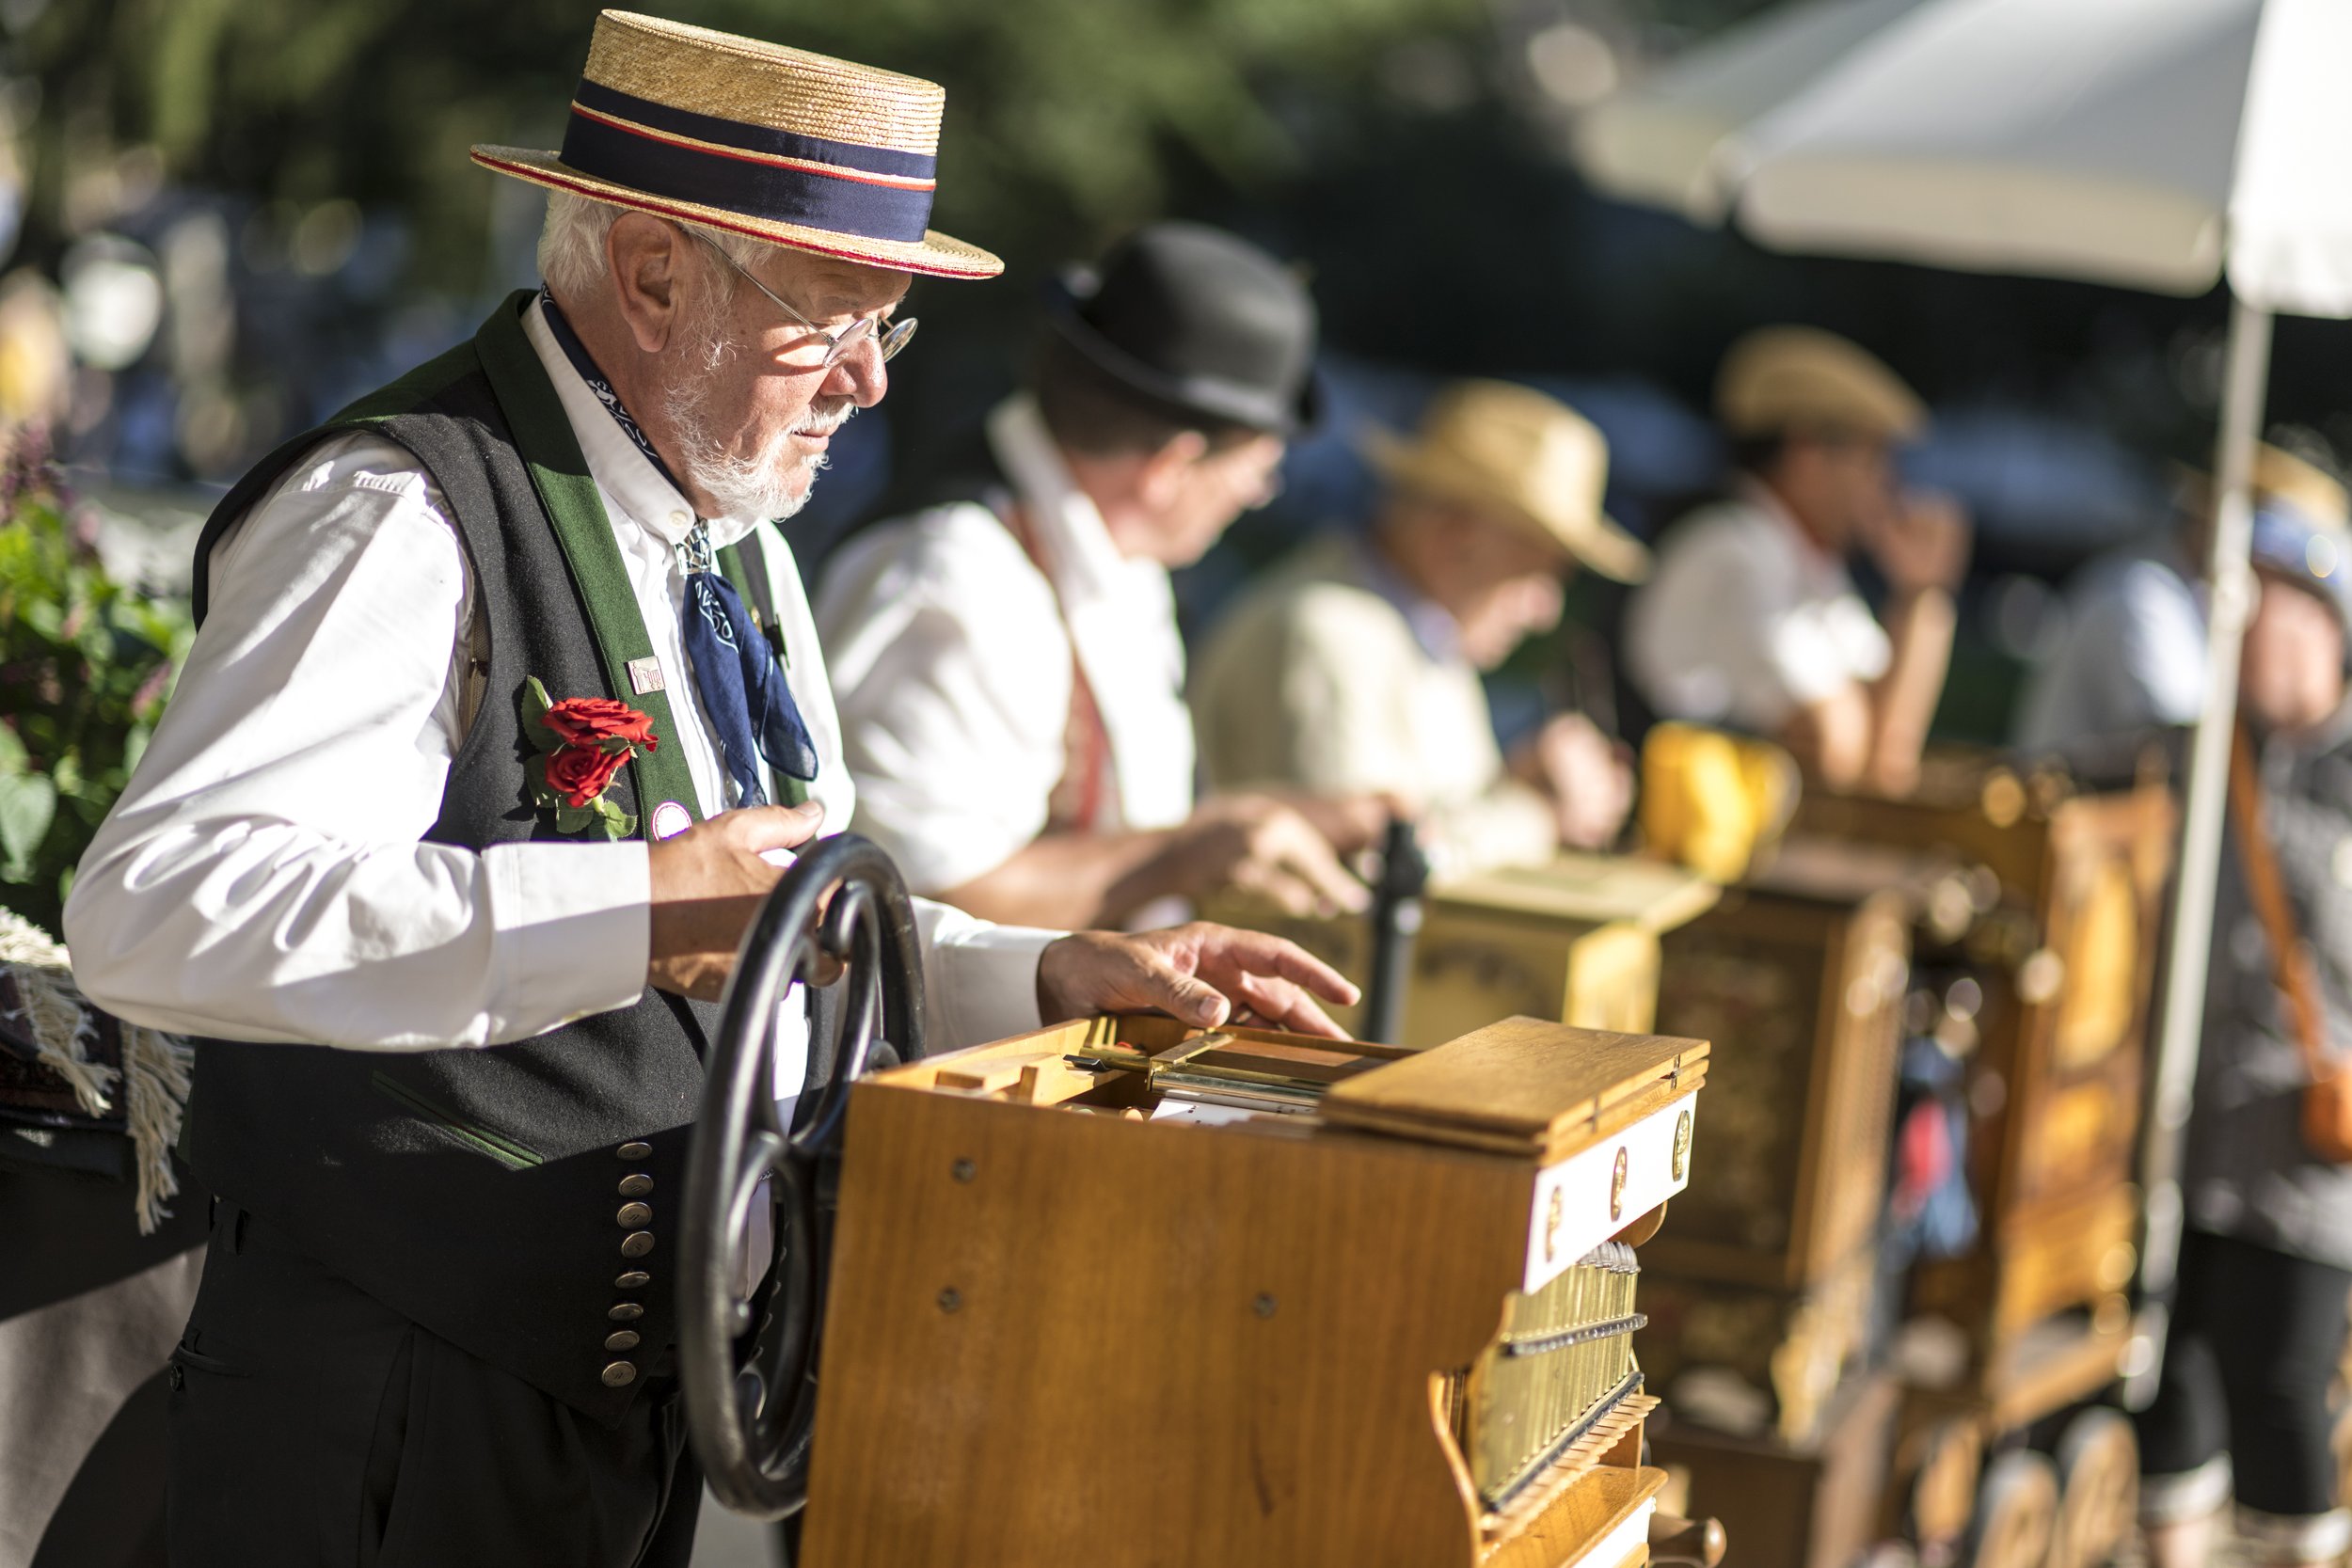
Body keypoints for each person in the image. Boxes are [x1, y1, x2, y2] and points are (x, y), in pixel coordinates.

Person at [58, 18, 1351, 1566]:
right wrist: (634, 906)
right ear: (660, 273)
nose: (870, 381)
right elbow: (161, 910)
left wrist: (1044, 971)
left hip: (643, 1426)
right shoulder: (400, 511)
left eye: (893, 325)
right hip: (393, 1424)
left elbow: (795, 912)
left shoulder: (740, 550)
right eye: (837, 317)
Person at [817, 222, 1382, 929]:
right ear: (1172, 467)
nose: (1254, 496)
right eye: (1256, 472)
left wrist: (1260, 825)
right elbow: (918, 900)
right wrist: (1182, 856)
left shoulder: (1113, 554)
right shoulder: (958, 577)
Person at [2137, 497, 2352, 1568]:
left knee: (2281, 1396)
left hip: (2304, 1160)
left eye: (2268, 612)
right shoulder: (2193, 752)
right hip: (2183, 1137)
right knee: (2167, 1388)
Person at [1190, 379, 1646, 879]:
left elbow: (1426, 825)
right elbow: (1370, 873)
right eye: (1536, 574)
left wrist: (1516, 784)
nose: (1545, 611)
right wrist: (1536, 814)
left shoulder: (1419, 631)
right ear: (1454, 536)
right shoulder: (1325, 634)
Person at [1626, 326, 1971, 797]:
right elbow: (1845, 755)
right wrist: (1919, 598)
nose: (1887, 484)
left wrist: (1921, 595)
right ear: (1807, 454)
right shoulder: (1733, 553)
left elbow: (1886, 753)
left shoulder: (1804, 562)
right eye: (1872, 458)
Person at [2014, 445, 2347, 755]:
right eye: (2299, 595)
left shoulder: (2170, 599)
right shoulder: (2141, 598)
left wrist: (2319, 720)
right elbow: (2198, 761)